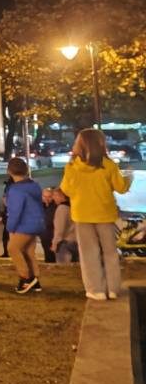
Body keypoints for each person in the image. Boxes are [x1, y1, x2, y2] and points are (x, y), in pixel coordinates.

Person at [59, 128, 132, 301]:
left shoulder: (72, 167)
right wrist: (129, 177)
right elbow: (121, 188)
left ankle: (95, 290)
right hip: (105, 214)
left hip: (82, 215)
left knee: (88, 254)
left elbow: (66, 190)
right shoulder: (108, 165)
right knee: (110, 252)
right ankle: (113, 289)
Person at [4, 157, 45, 294]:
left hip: (24, 224)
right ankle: (35, 281)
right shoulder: (34, 185)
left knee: (13, 248)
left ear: (9, 171)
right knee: (28, 251)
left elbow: (15, 211)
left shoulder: (16, 190)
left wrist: (10, 227)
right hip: (36, 222)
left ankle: (25, 278)